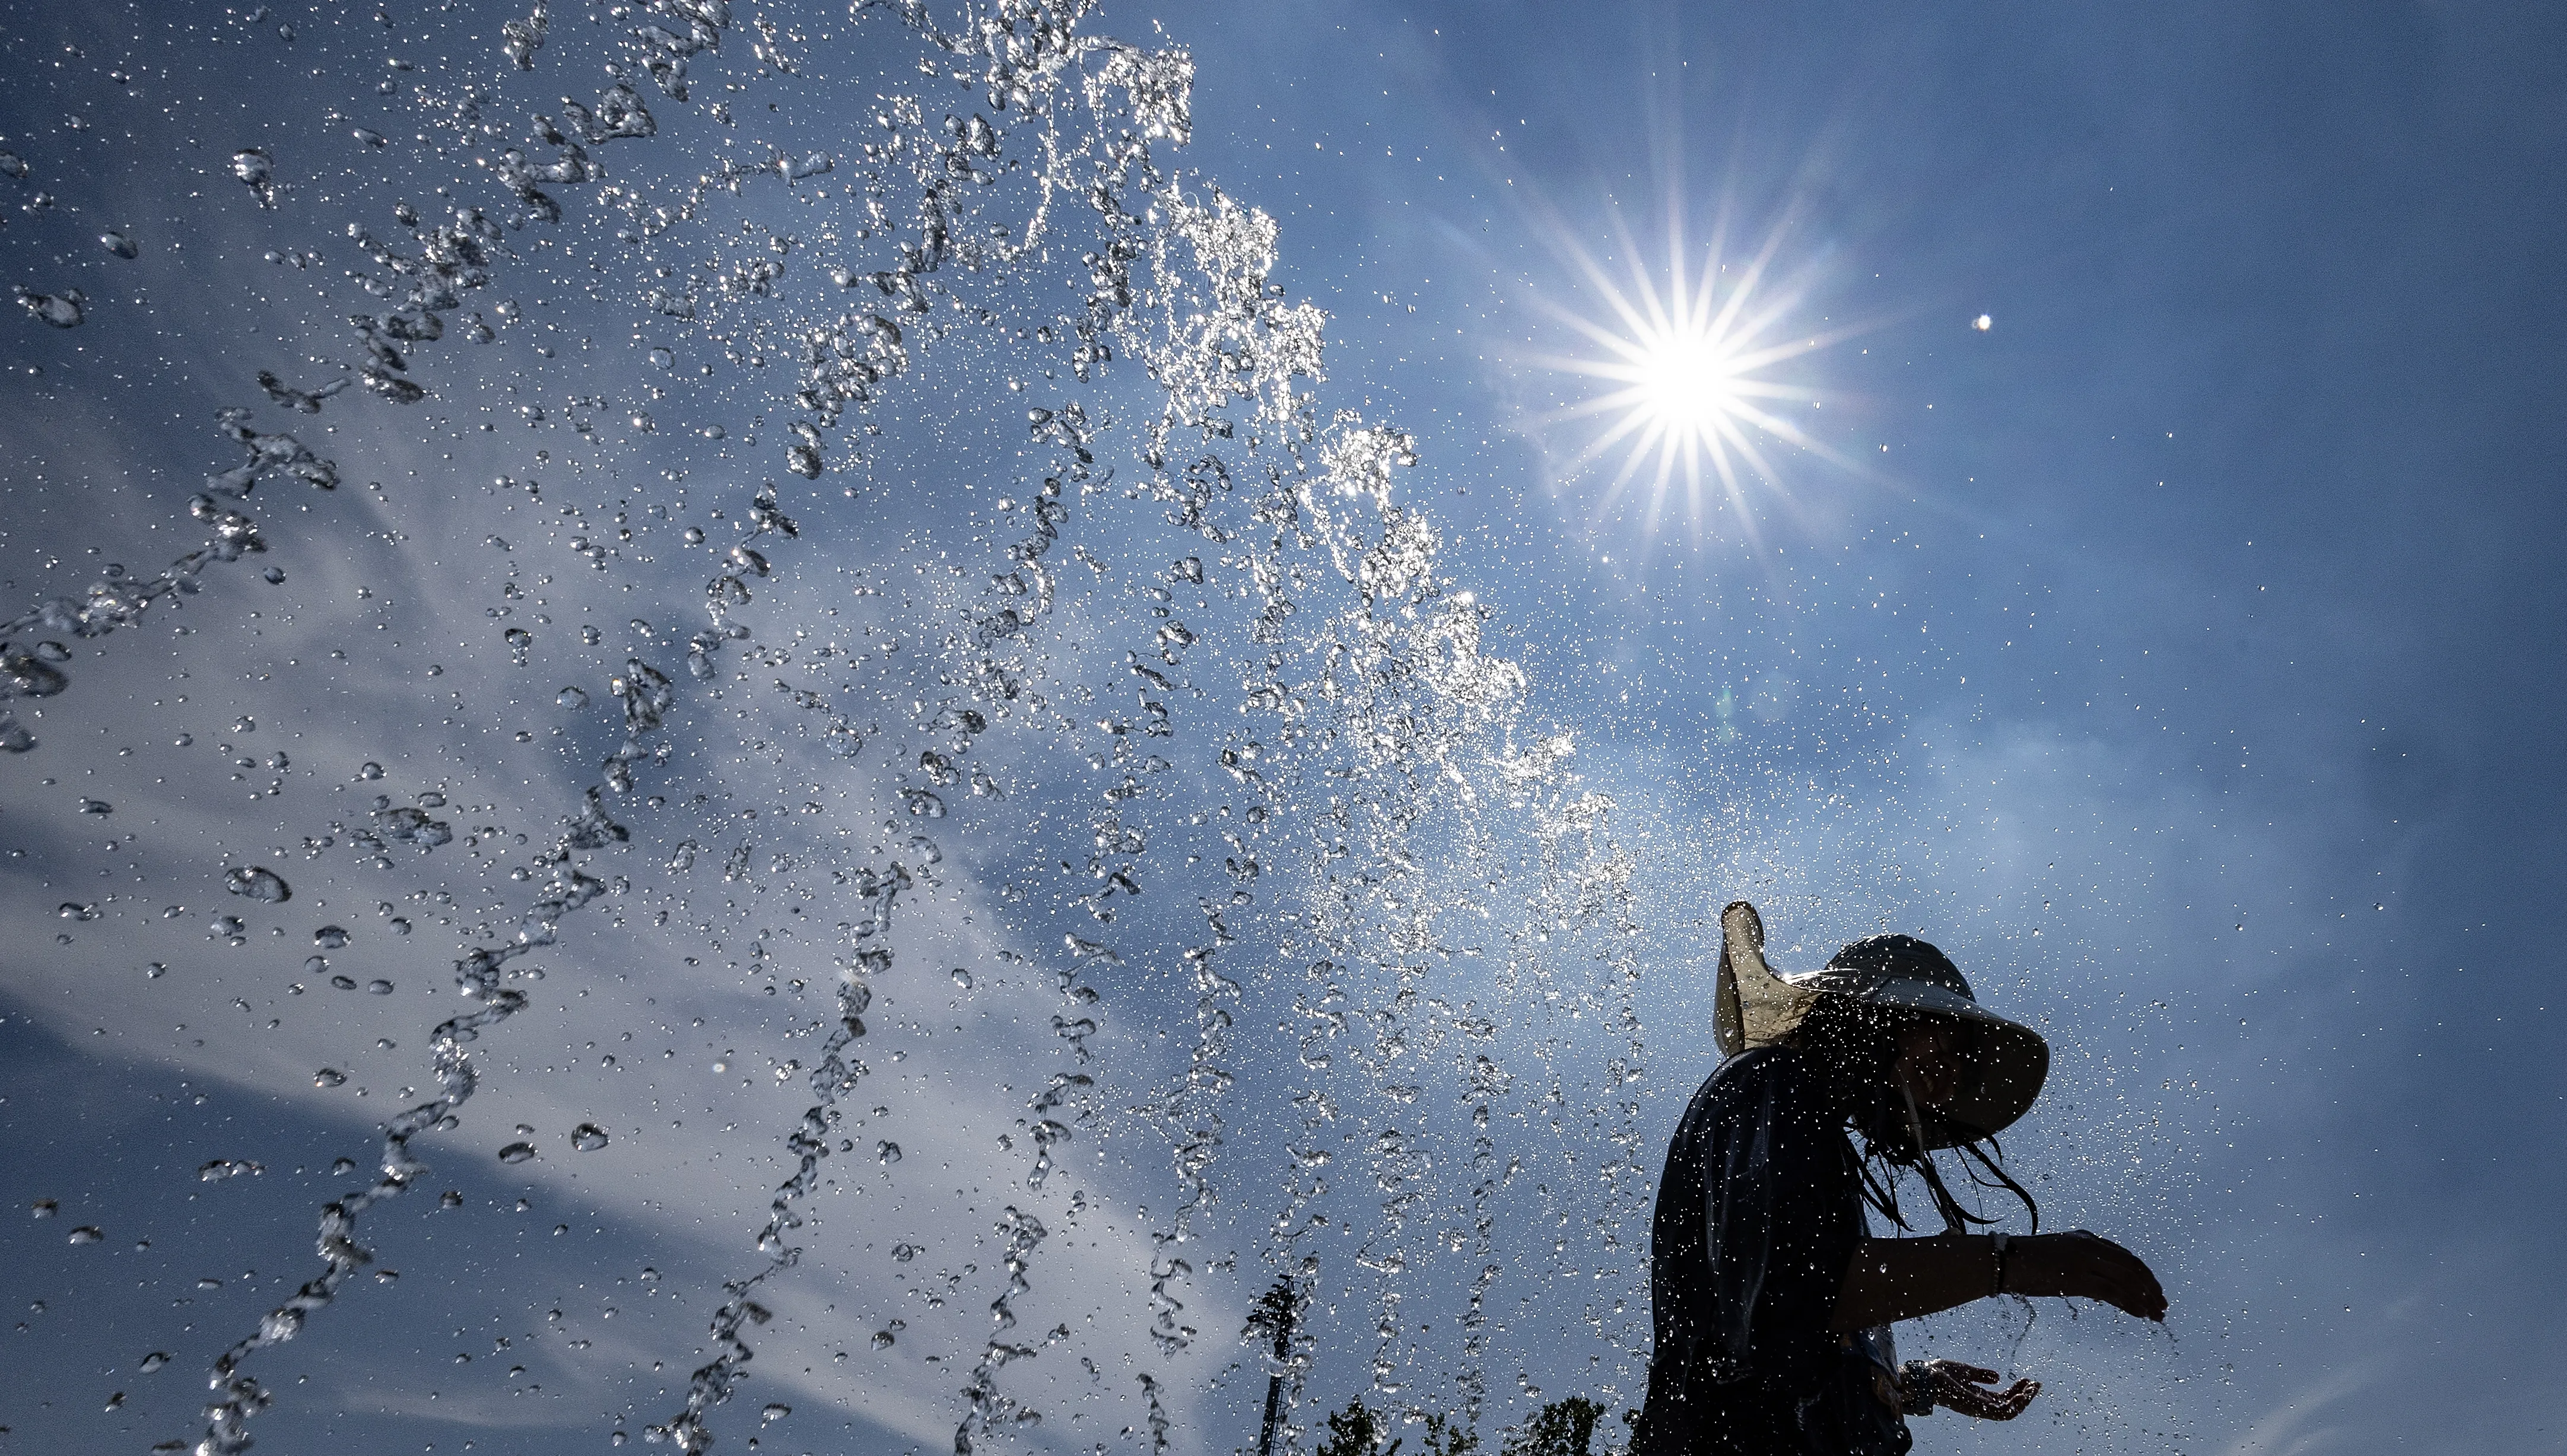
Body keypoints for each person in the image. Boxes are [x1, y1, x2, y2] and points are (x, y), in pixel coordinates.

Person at [1628, 902, 2166, 1456]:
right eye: (1946, 1039)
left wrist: (1903, 1384)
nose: (1953, 1075)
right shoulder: (1772, 1081)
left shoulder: (1810, 1126)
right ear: (1873, 1017)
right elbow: (1790, 1301)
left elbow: (1793, 1345)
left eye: (1963, 1062)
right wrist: (2017, 1261)